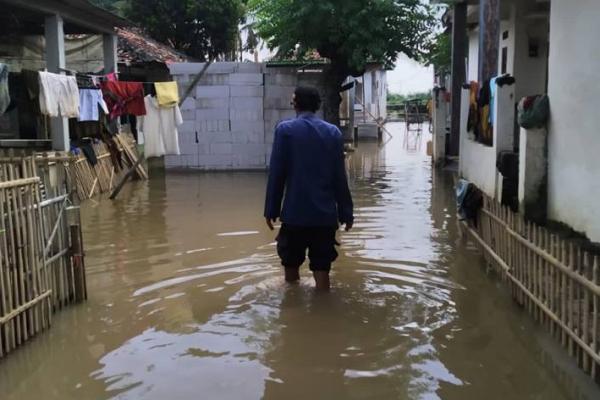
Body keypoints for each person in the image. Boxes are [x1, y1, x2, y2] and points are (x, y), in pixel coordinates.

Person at [264, 86, 354, 291]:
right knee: (322, 268)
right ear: (317, 106)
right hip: (324, 217)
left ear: (295, 104)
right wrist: (347, 213)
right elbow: (340, 178)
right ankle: (324, 313)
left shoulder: (285, 130)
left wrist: (271, 210)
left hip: (295, 215)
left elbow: (277, 174)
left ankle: (293, 311)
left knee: (291, 266)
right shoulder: (333, 132)